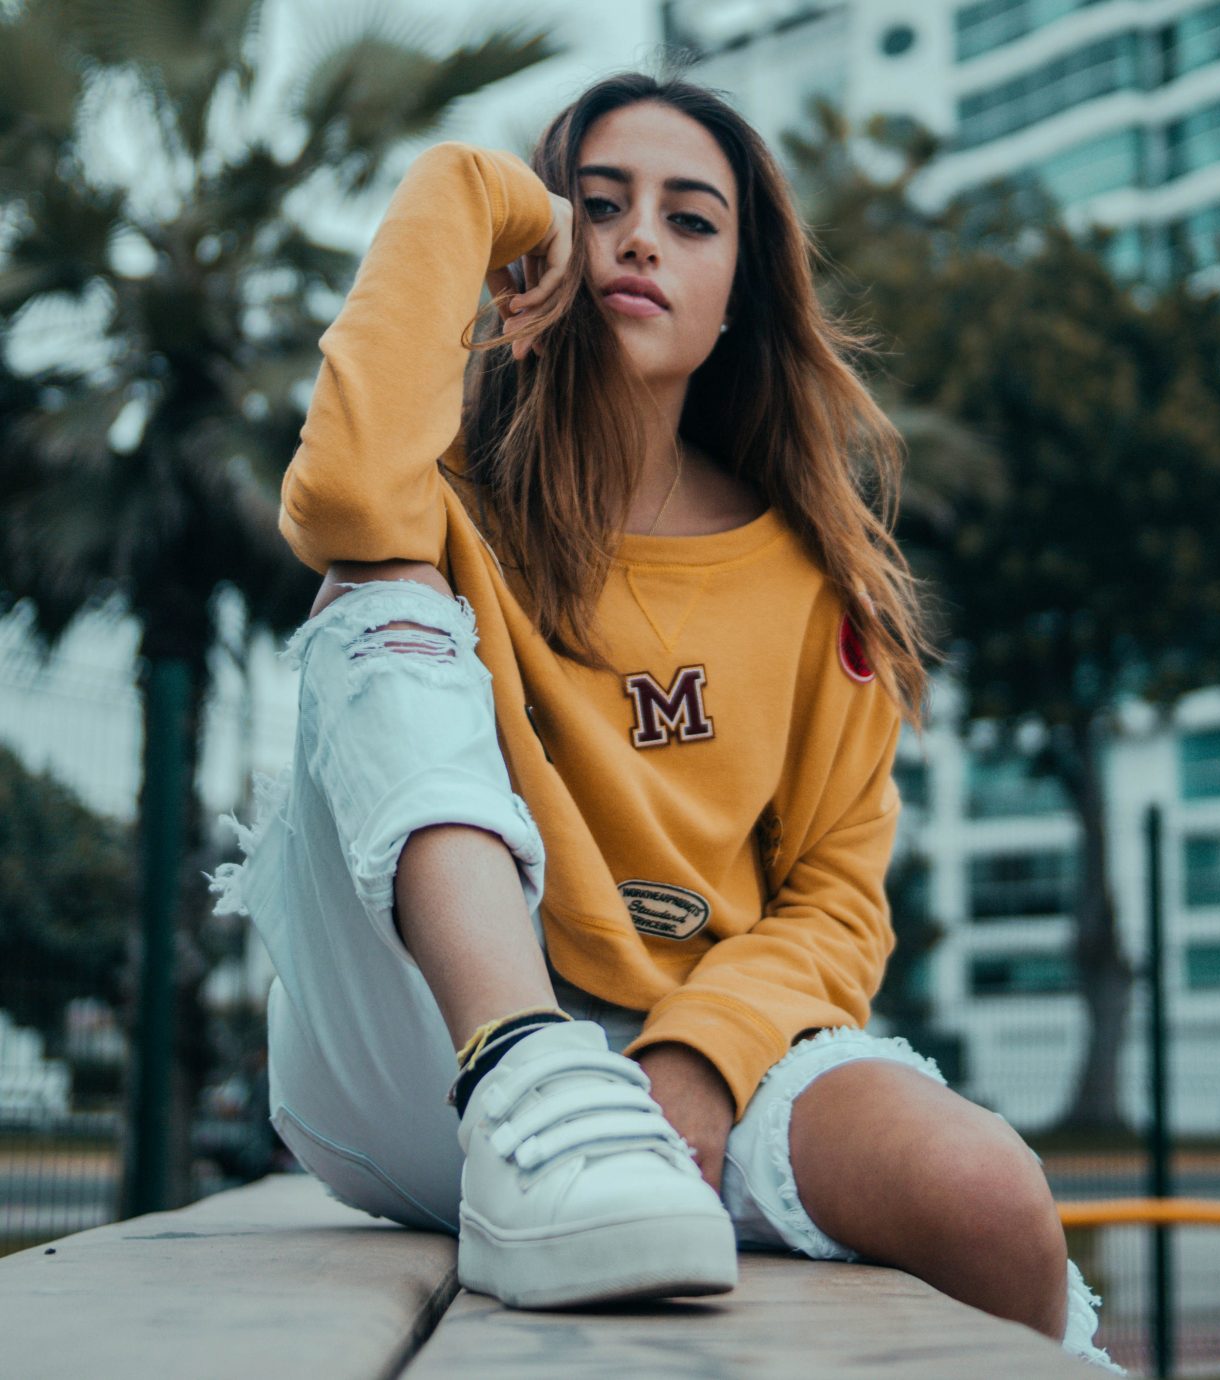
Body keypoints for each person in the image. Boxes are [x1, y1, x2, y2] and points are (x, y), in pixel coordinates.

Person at [209, 70, 1120, 1370]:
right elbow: (344, 499)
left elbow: (838, 900)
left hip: (672, 1067)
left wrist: (697, 1058)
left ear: (742, 288)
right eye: (595, 205)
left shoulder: (817, 589)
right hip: (421, 1048)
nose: (639, 237)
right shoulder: (436, 492)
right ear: (540, 242)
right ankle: (523, 1061)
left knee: (989, 1193)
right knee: (378, 585)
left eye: (692, 219)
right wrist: (469, 189)